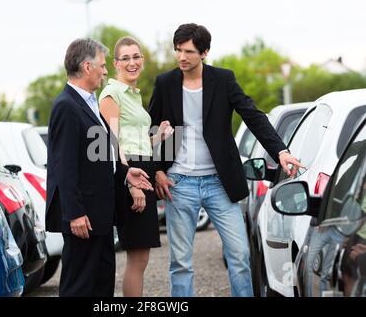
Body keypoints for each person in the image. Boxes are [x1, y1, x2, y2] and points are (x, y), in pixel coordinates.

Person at [148, 23, 303, 297]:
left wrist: (280, 151)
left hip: (220, 183)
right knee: (180, 263)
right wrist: (157, 171)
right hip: (179, 183)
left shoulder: (223, 80)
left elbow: (253, 115)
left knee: (240, 256)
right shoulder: (165, 83)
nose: (182, 57)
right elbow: (150, 129)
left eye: (189, 51)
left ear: (205, 52)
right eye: (178, 50)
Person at [45, 38, 153, 297]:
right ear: (86, 67)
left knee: (102, 286)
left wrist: (127, 173)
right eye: (103, 66)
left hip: (101, 216)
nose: (106, 71)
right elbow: (64, 166)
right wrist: (75, 214)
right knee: (80, 288)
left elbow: (100, 155)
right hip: (83, 218)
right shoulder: (66, 106)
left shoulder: (89, 103)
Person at [98, 36, 174, 297]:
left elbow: (137, 141)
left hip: (142, 168)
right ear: (116, 63)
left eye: (136, 56)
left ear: (143, 59)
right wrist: (130, 183)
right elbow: (111, 143)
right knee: (137, 259)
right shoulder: (112, 94)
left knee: (141, 258)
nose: (132, 62)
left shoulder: (133, 95)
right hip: (131, 175)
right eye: (126, 58)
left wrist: (158, 137)